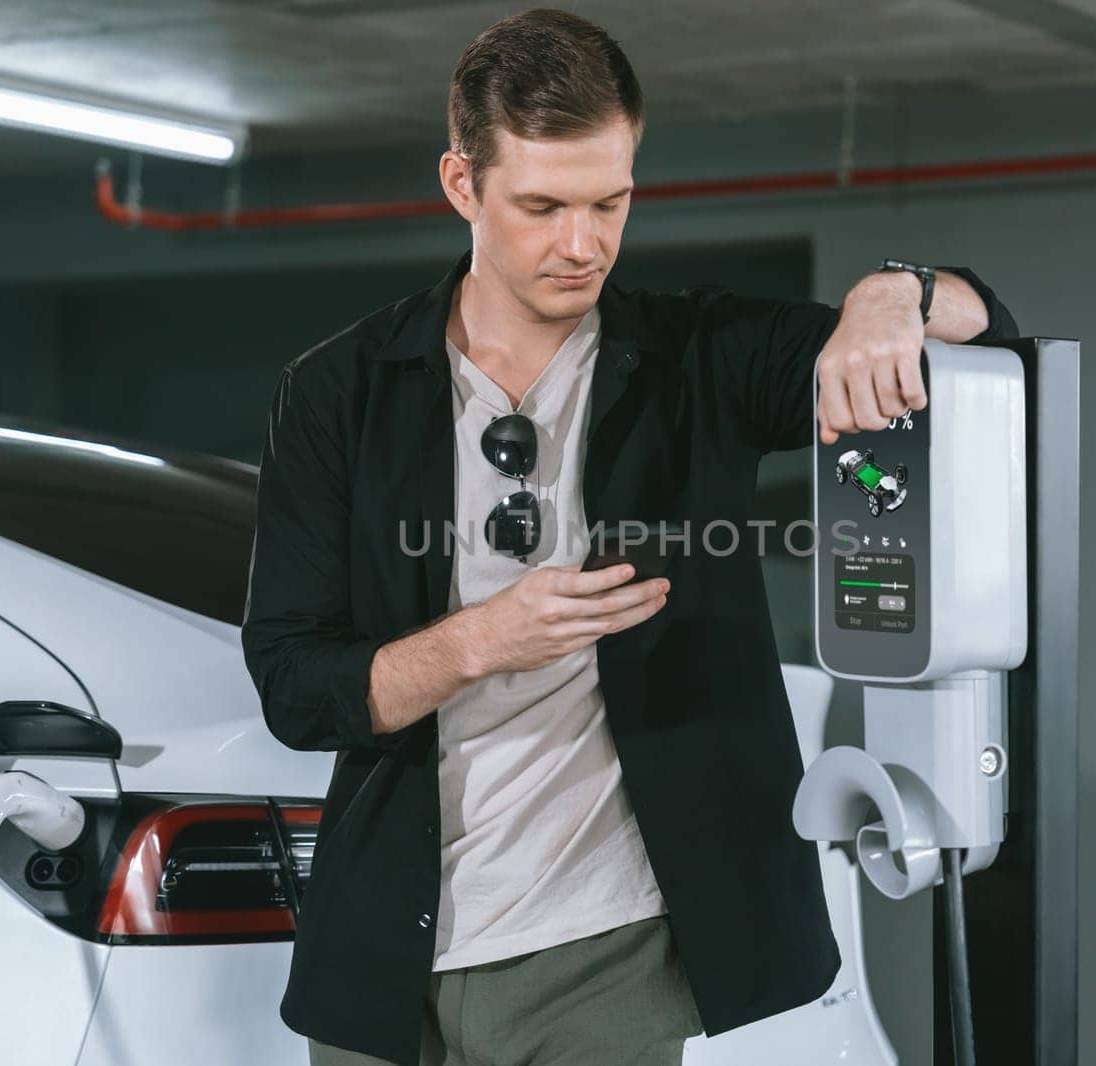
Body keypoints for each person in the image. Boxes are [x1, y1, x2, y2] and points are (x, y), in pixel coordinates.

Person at [241, 8, 1019, 1066]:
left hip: (608, 950)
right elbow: (296, 687)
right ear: (462, 185)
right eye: (544, 205)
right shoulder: (337, 394)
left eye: (610, 202)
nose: (583, 243)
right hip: (385, 957)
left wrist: (896, 294)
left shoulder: (697, 359)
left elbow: (992, 323)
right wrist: (482, 640)